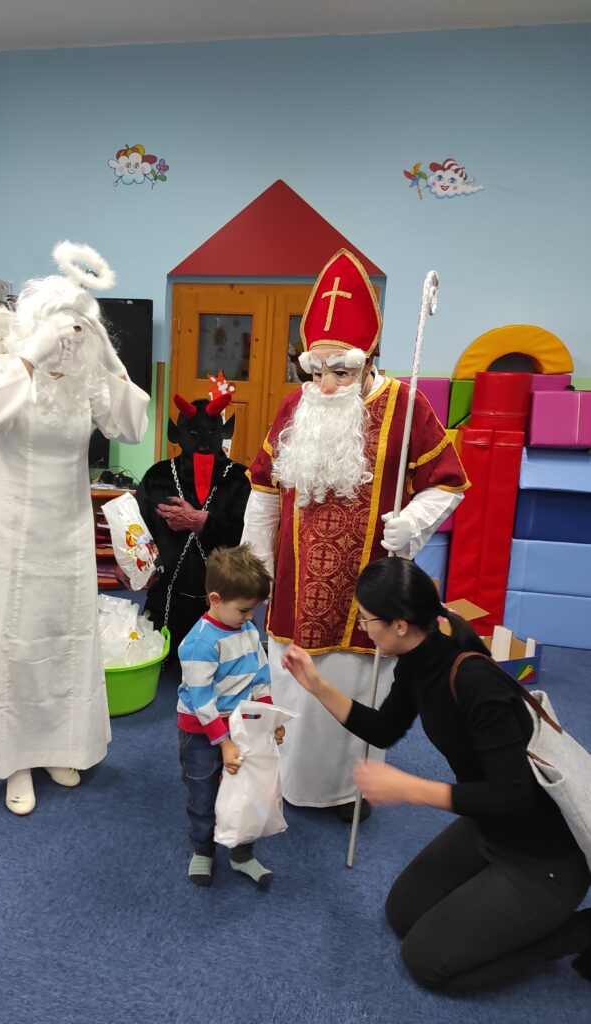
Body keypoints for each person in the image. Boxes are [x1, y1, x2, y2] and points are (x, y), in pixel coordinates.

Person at [282, 556, 591, 991]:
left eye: (367, 619)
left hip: (543, 858)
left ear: (399, 625)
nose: (364, 628)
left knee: (427, 963)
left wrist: (411, 789)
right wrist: (316, 685)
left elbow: (513, 796)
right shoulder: (417, 659)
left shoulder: (473, 679)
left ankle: (579, 933)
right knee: (402, 914)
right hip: (489, 827)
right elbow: (384, 729)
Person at [0, 241, 150, 815]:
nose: (67, 344)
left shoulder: (84, 383)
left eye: (77, 334)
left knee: (62, 637)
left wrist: (111, 363)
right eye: (60, 332)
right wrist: (30, 356)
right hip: (8, 533)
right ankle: (12, 757)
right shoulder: (4, 370)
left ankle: (57, 742)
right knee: (12, 639)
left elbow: (129, 427)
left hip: (66, 531)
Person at [241, 248, 468, 819]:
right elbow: (264, 488)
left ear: (369, 362)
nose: (326, 384)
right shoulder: (294, 406)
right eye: (316, 371)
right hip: (296, 585)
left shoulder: (406, 405)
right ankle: (291, 779)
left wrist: (411, 520)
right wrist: (254, 564)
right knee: (294, 683)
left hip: (367, 589)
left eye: (340, 371)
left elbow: (448, 483)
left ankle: (346, 791)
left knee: (361, 685)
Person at [177, 545, 285, 888]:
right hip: (202, 732)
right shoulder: (200, 643)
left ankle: (242, 853)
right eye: (244, 610)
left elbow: (260, 675)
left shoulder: (248, 631)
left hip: (241, 726)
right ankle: (203, 849)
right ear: (215, 599)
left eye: (254, 610)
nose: (250, 617)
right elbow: (201, 700)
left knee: (245, 791)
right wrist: (223, 743)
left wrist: (269, 718)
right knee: (204, 793)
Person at [135, 392, 250, 660]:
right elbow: (138, 529)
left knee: (223, 667)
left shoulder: (238, 478)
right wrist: (136, 567)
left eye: (211, 432)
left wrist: (204, 522)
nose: (203, 441)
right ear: (177, 435)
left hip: (223, 603)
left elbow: (247, 537)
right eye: (195, 434)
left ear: (223, 433)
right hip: (165, 600)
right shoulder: (158, 475)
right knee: (158, 663)